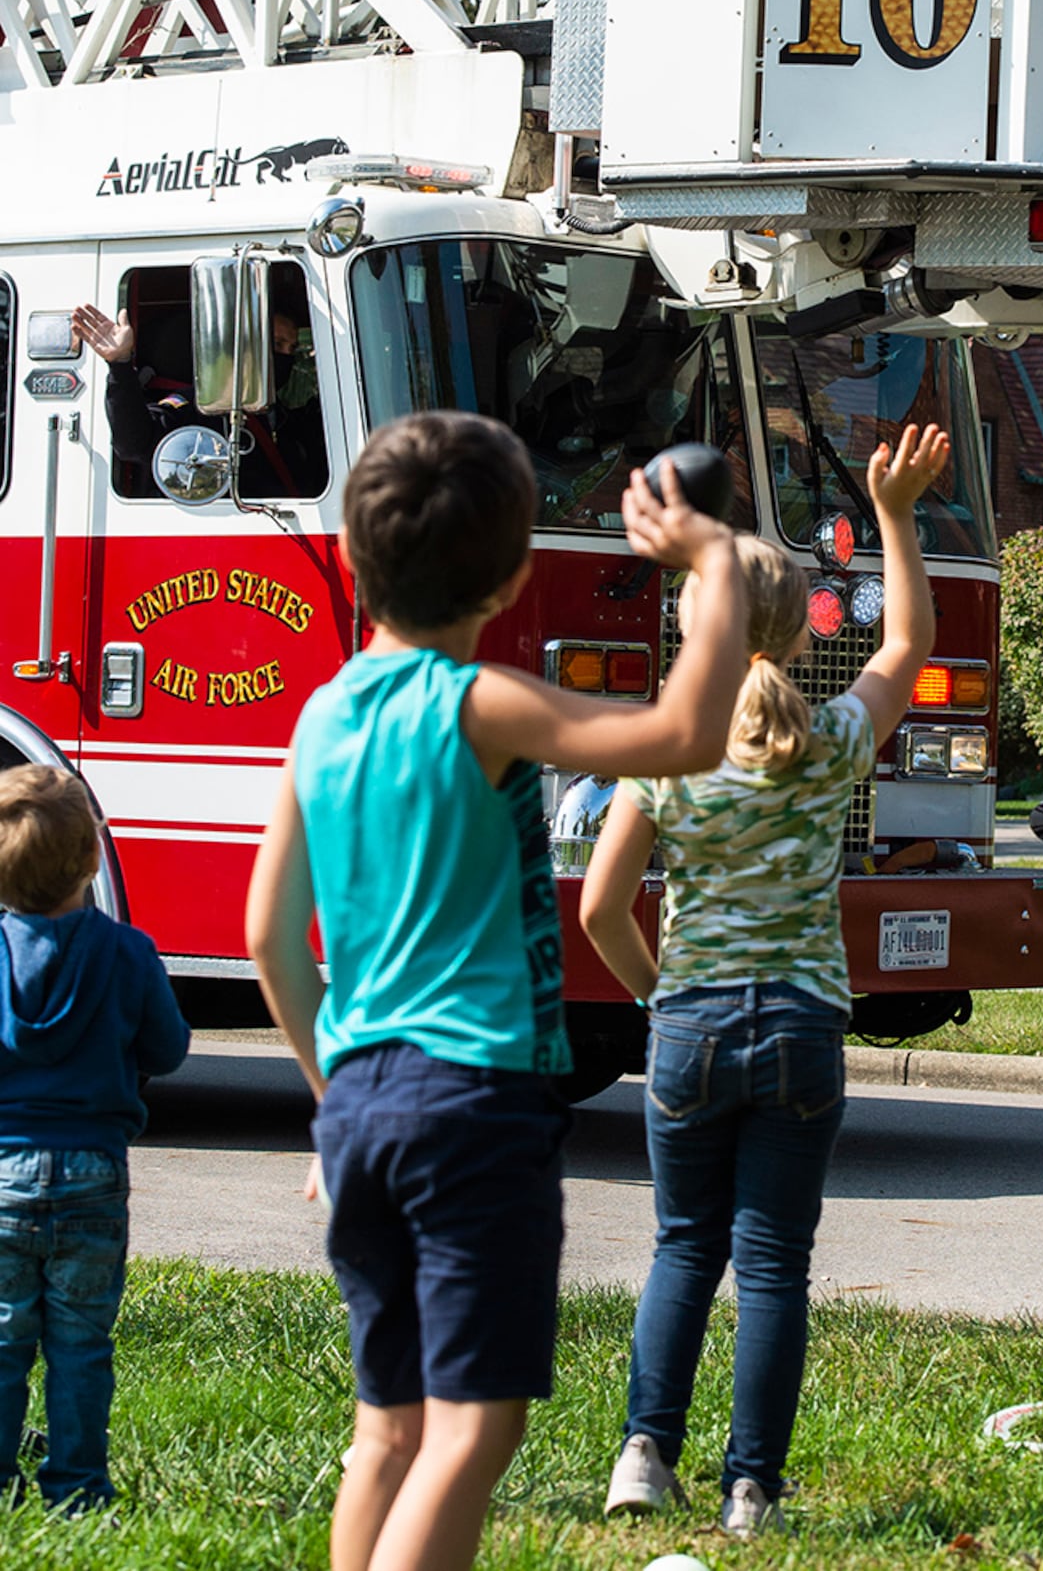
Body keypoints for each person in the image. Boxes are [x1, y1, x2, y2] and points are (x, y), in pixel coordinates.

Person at [244, 410, 747, 1571]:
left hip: (363, 1101)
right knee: (473, 1427)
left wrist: (335, 1093)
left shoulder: (322, 716)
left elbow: (269, 936)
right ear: (515, 573)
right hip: (471, 1107)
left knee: (389, 1427)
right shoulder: (480, 706)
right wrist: (711, 563)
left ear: (354, 557)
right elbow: (683, 734)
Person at [580, 423, 950, 1540]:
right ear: (798, 632)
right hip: (799, 1029)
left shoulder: (667, 753)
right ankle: (752, 1488)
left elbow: (601, 909)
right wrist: (893, 516)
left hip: (691, 1027)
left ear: (692, 620)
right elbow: (904, 653)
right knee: (776, 1263)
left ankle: (646, 1454)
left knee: (682, 1248)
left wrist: (659, 996)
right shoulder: (833, 738)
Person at [0, 763, 190, 1512]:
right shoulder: (129, 952)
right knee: (81, 1342)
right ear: (91, 859)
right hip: (93, 1174)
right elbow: (168, 1050)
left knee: (5, 1337)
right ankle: (77, 1487)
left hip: (4, 1170)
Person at [71, 292, 327, 498]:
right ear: (246, 346)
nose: (285, 357)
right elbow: (134, 444)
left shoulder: (281, 418)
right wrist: (120, 364)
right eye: (275, 344)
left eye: (291, 349)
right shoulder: (202, 405)